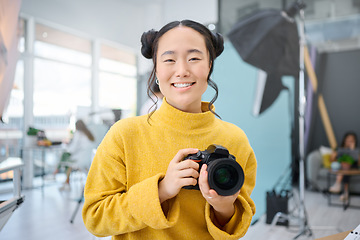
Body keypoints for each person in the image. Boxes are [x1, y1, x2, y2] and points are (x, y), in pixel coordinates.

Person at [82, 20, 257, 240]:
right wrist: (162, 190)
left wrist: (223, 207)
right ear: (156, 68)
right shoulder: (124, 135)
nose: (182, 70)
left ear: (210, 64)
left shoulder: (235, 139)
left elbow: (239, 223)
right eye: (169, 60)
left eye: (194, 58)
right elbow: (95, 218)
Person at [54, 119, 95, 191]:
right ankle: (63, 178)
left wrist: (66, 148)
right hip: (88, 157)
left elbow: (73, 148)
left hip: (80, 158)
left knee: (65, 156)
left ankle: (57, 172)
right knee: (67, 159)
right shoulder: (89, 133)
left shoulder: (78, 133)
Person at [329, 131, 360, 201]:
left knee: (346, 169)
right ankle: (345, 192)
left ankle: (338, 185)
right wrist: (334, 154)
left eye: (352, 140)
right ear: (345, 140)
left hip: (352, 166)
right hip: (342, 166)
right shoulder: (340, 149)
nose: (349, 141)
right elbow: (332, 160)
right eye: (348, 139)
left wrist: (352, 150)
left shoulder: (356, 150)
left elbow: (358, 162)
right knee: (343, 168)